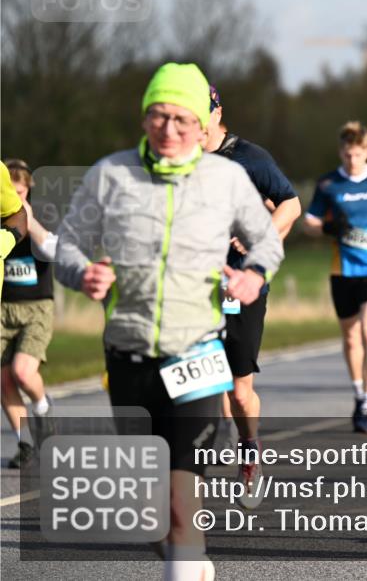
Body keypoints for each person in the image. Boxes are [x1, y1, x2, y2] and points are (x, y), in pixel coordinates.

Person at [56, 62, 283, 580]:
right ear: (144, 118)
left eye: (183, 119)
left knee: (181, 499)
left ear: (203, 125)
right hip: (129, 356)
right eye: (159, 116)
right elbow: (66, 243)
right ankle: (193, 566)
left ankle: (186, 565)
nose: (170, 129)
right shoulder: (110, 175)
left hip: (198, 355)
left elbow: (267, 239)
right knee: (150, 512)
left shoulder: (226, 178)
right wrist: (81, 273)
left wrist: (252, 274)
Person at [201, 85, 301, 508]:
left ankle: (249, 449)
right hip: (195, 282)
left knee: (240, 390)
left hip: (242, 282)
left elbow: (291, 206)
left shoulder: (250, 157)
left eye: (198, 112)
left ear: (217, 111)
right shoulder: (178, 161)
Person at [303, 121, 367, 434]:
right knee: (351, 336)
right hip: (342, 269)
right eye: (347, 155)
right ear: (340, 153)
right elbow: (309, 222)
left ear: (366, 152)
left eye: (357, 154)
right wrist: (328, 228)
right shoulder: (329, 184)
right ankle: (358, 392)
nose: (352, 160)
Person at [1, 161, 56, 468]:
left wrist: (28, 221)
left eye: (19, 192)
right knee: (4, 381)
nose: (15, 198)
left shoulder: (40, 214)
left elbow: (53, 252)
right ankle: (25, 444)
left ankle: (43, 407)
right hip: (3, 307)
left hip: (36, 306)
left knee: (23, 372)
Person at [1, 161, 29, 295]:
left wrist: (3, 241)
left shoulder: (45, 210)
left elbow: (52, 250)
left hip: (34, 300)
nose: (17, 196)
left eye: (20, 192)